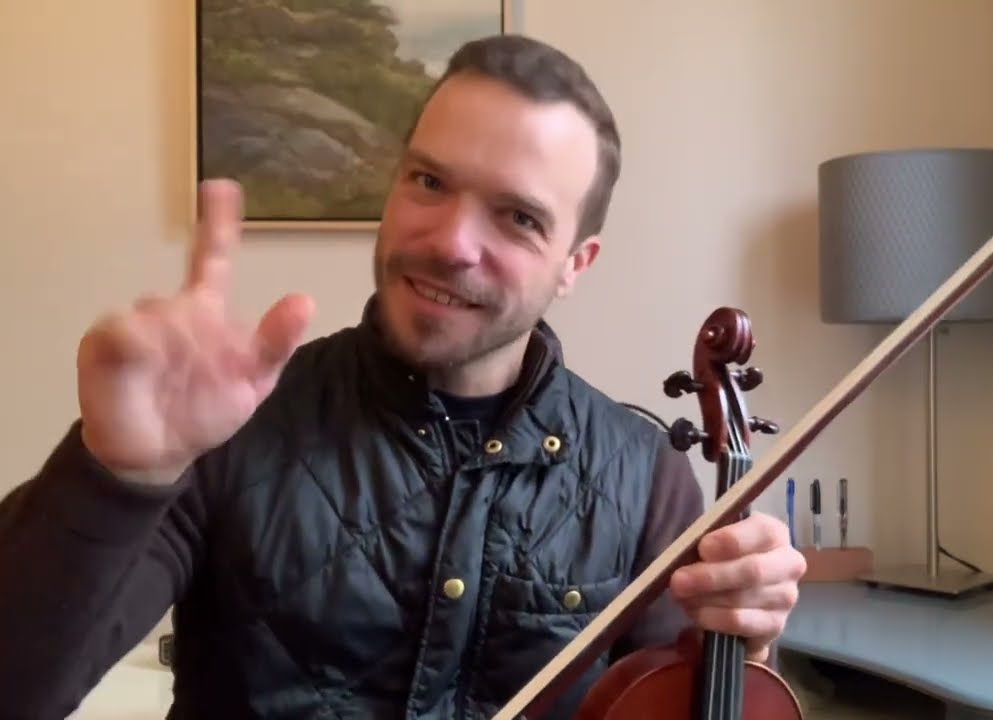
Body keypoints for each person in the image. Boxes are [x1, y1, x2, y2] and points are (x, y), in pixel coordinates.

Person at [0, 34, 805, 719]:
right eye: (429, 181)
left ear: (575, 263)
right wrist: (116, 477)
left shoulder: (647, 479)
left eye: (518, 217)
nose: (452, 240)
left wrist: (739, 645)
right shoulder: (229, 429)